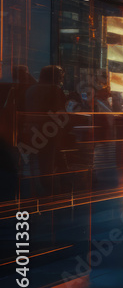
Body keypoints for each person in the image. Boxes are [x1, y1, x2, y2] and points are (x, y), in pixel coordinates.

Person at [24, 65, 69, 196]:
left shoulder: (31, 89)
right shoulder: (54, 90)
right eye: (60, 77)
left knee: (38, 163)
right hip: (49, 132)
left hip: (33, 130)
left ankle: (42, 190)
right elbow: (61, 113)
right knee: (49, 162)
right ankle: (53, 192)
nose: (61, 79)